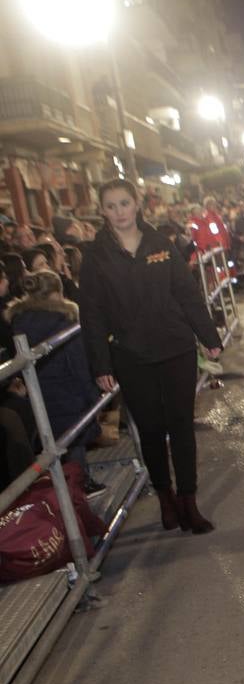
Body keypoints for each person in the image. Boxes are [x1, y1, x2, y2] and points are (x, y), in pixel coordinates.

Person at [79, 179, 222, 532]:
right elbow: (91, 313)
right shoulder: (95, 256)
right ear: (102, 211)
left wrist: (208, 335)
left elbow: (186, 292)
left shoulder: (160, 243)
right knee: (151, 430)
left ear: (137, 204)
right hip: (130, 355)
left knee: (181, 426)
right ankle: (165, 498)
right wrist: (101, 363)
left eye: (124, 203)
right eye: (111, 206)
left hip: (176, 347)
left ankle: (189, 499)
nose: (119, 212)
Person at [5, 270, 104, 495]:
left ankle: (67, 486)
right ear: (58, 292)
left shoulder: (19, 321)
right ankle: (82, 483)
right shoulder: (64, 320)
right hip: (69, 390)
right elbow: (78, 363)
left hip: (39, 391)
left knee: (55, 443)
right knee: (74, 439)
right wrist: (92, 395)